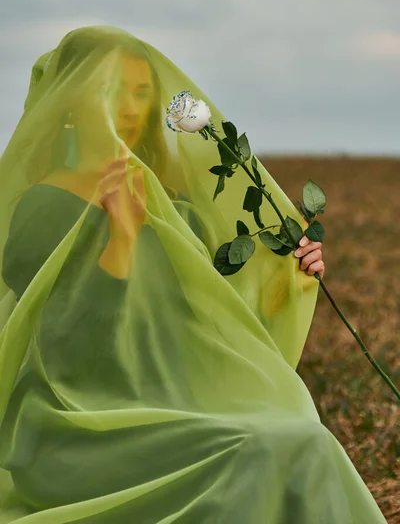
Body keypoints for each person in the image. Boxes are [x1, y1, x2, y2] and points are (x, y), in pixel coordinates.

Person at [0, 26, 386, 523]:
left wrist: (293, 278)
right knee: (266, 450)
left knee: (307, 442)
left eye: (142, 92)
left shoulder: (175, 206)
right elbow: (70, 350)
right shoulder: (43, 205)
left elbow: (213, 323)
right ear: (74, 100)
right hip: (78, 427)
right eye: (112, 89)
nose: (128, 105)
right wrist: (119, 238)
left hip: (179, 405)